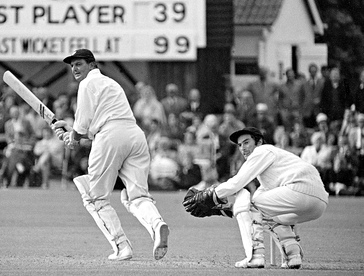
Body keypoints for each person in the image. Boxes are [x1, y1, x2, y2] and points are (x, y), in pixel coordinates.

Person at [52, 49, 169, 261]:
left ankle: (122, 247)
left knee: (95, 197)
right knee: (137, 196)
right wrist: (72, 131)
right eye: (72, 66)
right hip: (134, 135)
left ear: (91, 64)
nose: (74, 69)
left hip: (110, 137)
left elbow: (85, 123)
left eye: (78, 64)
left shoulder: (86, 84)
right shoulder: (111, 83)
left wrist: (73, 137)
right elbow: (99, 124)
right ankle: (157, 224)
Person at [183, 127, 328, 269]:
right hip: (318, 203)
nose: (242, 148)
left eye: (246, 142)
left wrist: (208, 196)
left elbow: (237, 182)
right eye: (240, 145)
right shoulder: (277, 162)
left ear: (258, 142)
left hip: (299, 191)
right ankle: (293, 255)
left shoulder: (262, 151)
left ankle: (255, 256)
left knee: (253, 204)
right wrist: (225, 209)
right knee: (265, 211)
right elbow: (259, 198)